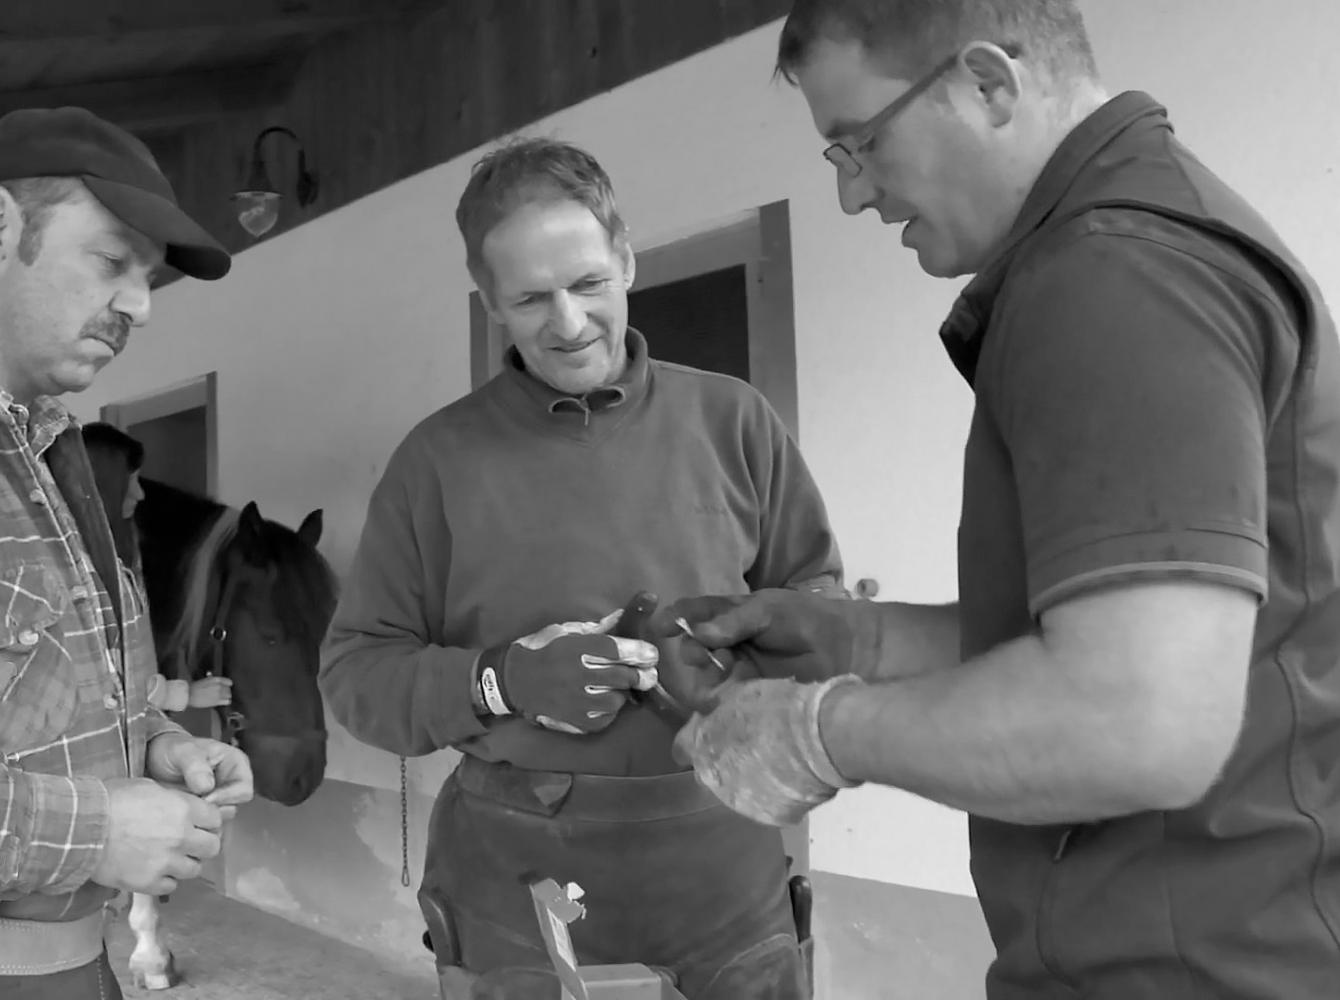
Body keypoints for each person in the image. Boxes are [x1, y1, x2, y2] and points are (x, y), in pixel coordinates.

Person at [662, 2, 1340, 998]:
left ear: (987, 83)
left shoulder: (1114, 274)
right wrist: (857, 641)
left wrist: (815, 730)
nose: (852, 195)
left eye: (858, 144)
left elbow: (1132, 720)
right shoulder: (1142, 239)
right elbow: (1098, 647)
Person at [320, 137, 844, 999]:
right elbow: (355, 676)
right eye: (530, 298)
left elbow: (819, 609)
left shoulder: (734, 421)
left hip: (723, 866)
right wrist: (505, 681)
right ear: (490, 301)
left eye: (589, 284)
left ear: (626, 258)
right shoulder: (437, 460)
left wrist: (734, 668)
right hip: (514, 879)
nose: (567, 323)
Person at [0, 107, 253, 1000]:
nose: (141, 306)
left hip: (74, 963)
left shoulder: (60, 463)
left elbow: (53, 700)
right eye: (111, 262)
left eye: (147, 279)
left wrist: (155, 746)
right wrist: (97, 831)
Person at [81, 421, 233, 714]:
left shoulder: (127, 554)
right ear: (104, 484)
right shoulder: (82, 567)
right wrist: (183, 695)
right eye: (131, 481)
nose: (141, 494)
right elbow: (109, 670)